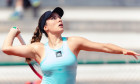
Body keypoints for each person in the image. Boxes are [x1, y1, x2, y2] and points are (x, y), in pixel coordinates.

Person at [2, 7, 140, 84]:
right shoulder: (38, 48)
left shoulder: (73, 42)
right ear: (46, 27)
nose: (59, 19)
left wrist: (122, 50)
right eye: (53, 18)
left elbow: (104, 47)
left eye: (59, 17)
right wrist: (12, 32)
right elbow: (6, 49)